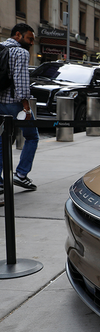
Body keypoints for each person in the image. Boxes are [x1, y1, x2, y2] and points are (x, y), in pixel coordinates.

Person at [0, 23, 39, 204]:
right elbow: (21, 81)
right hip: (13, 104)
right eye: (29, 38)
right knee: (32, 136)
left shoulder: (1, 47)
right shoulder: (20, 53)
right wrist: (26, 107)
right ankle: (21, 174)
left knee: (2, 142)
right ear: (18, 35)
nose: (31, 43)